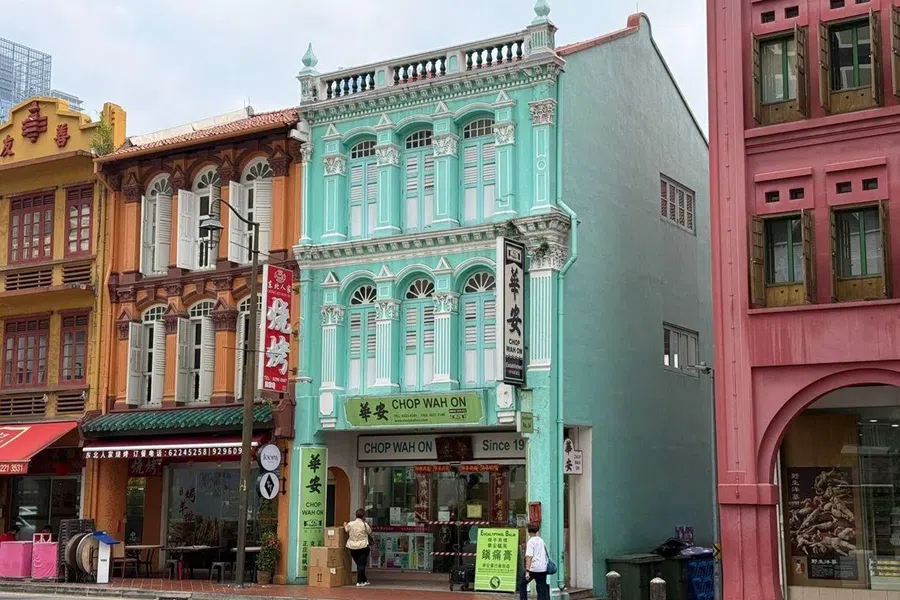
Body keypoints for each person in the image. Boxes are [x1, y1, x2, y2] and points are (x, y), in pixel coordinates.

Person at [521, 523, 550, 600]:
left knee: (522, 584)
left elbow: (529, 557)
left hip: (533, 568)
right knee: (541, 589)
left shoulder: (531, 541)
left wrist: (527, 571)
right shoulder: (541, 540)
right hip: (543, 568)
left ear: (528, 531)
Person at [344, 509, 372, 587]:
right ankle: (359, 581)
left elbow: (346, 529)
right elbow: (369, 532)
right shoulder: (365, 524)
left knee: (359, 564)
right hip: (363, 546)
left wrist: (344, 525)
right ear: (363, 516)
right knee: (361, 565)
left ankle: (364, 580)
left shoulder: (350, 524)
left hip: (352, 546)